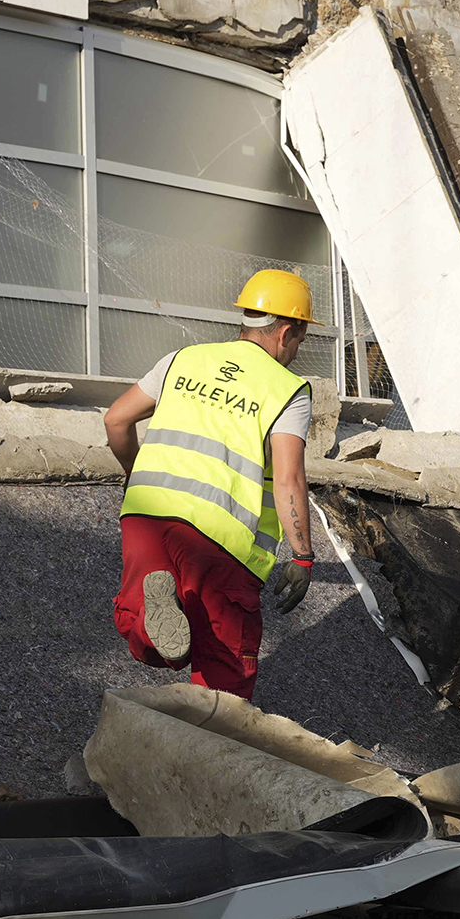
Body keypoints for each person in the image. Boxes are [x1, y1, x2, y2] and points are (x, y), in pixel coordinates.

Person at [103, 268, 322, 701]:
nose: (297, 351)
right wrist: (303, 556)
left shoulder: (182, 359)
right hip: (220, 539)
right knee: (225, 668)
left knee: (141, 627)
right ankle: (213, 738)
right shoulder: (288, 389)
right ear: (286, 332)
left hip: (146, 516)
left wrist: (135, 475)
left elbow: (115, 419)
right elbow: (288, 478)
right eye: (300, 340)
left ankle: (152, 617)